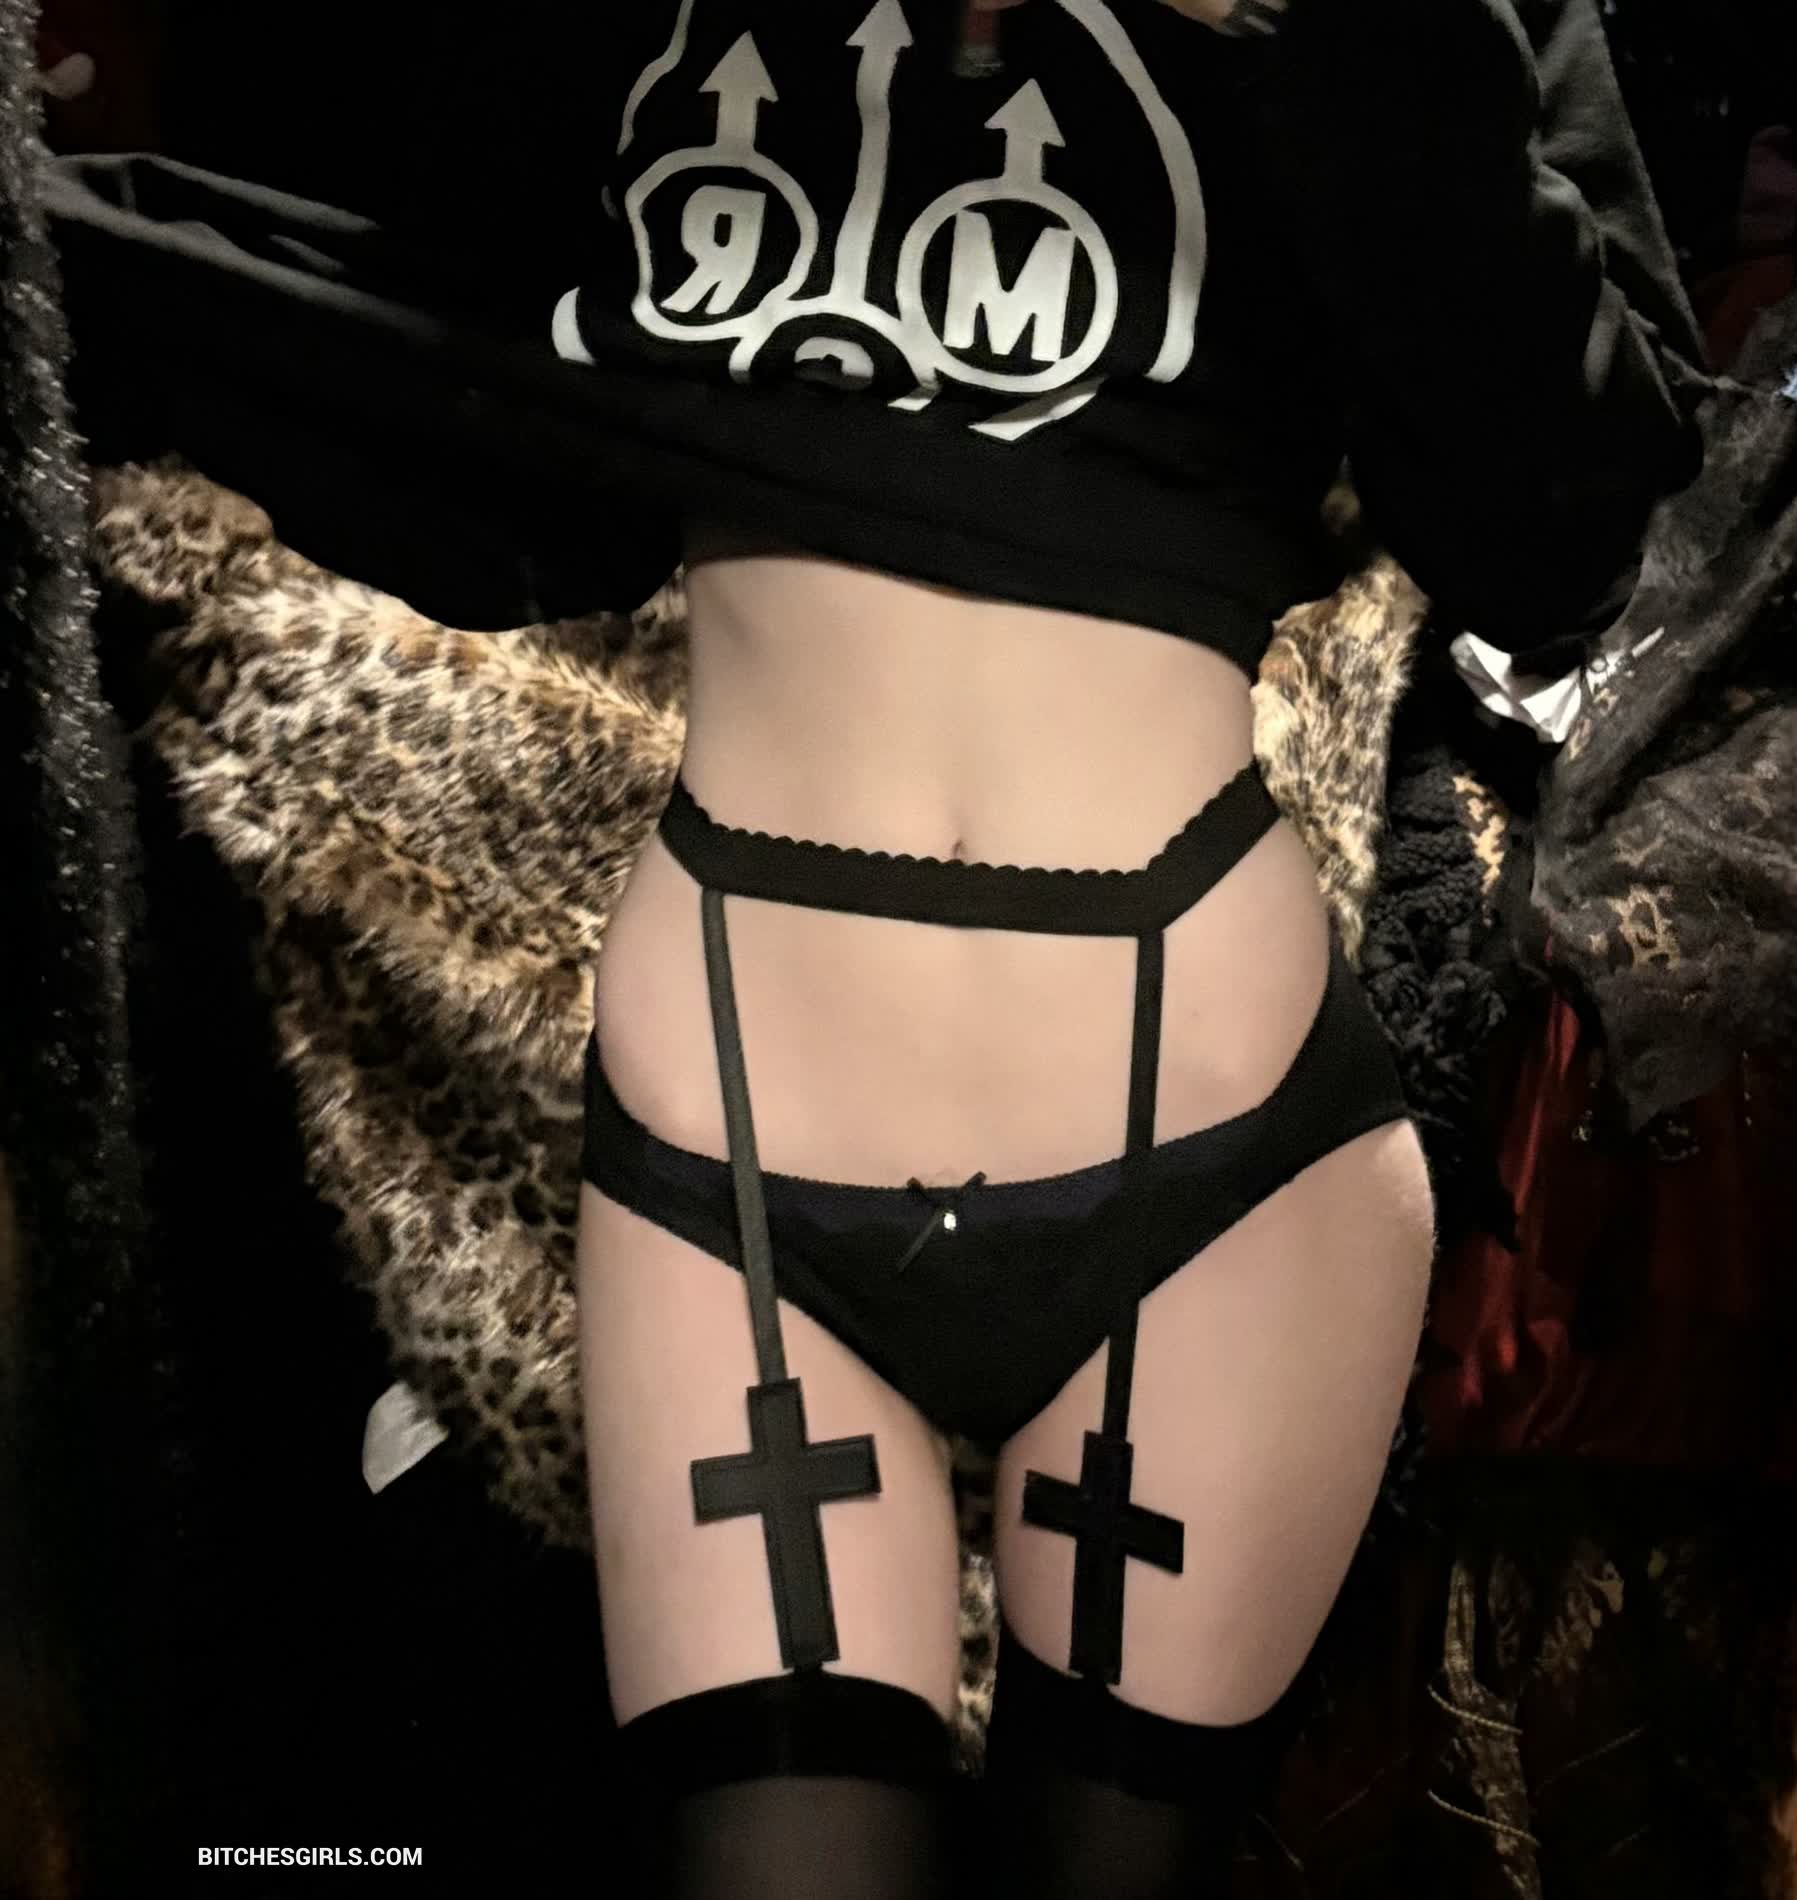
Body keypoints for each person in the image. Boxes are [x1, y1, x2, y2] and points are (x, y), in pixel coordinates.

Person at [567, 0, 1707, 1893]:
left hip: (1216, 1167)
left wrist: (1331, 36)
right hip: (730, 1142)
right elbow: (437, 350)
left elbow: (1568, 530)